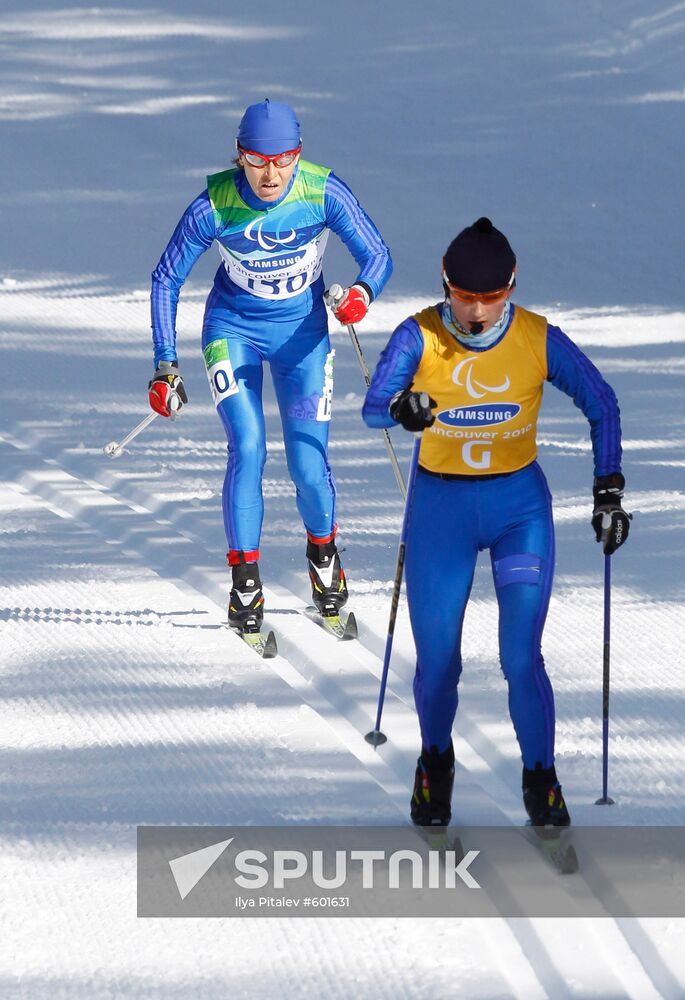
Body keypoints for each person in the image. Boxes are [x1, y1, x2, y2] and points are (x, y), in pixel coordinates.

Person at [362, 217, 630, 827]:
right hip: (440, 512)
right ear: (445, 283)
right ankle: (435, 765)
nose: (477, 312)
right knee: (439, 664)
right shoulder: (419, 336)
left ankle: (542, 780)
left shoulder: (538, 338)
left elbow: (601, 402)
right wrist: (405, 406)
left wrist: (607, 489)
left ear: (512, 286)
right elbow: (373, 407)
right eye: (463, 296)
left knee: (519, 655)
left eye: (491, 297)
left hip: (518, 512)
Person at [148, 99, 392, 633]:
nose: (271, 174)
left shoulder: (322, 191)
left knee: (308, 461)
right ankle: (245, 587)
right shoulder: (213, 205)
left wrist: (361, 294)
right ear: (240, 157)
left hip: (302, 339)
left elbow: (378, 255)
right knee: (249, 447)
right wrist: (166, 364)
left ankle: (326, 564)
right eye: (258, 161)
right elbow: (166, 278)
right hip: (231, 332)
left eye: (282, 161)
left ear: (298, 156)